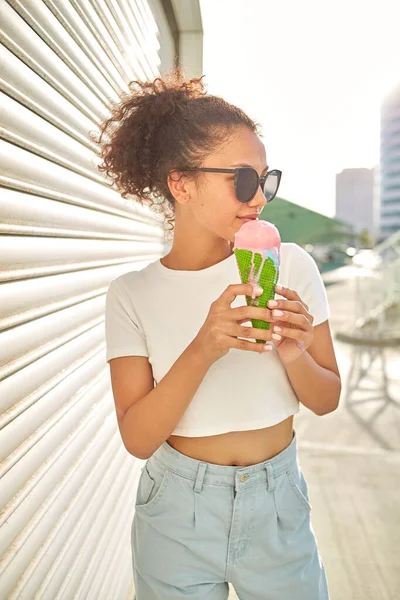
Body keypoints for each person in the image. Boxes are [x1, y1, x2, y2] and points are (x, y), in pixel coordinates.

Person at [99, 71, 341, 600]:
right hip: (175, 511)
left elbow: (326, 399)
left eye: (266, 180)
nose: (260, 198)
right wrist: (204, 347)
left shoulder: (292, 265)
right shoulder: (132, 294)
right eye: (243, 180)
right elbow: (138, 438)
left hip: (278, 502)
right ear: (181, 184)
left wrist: (292, 350)